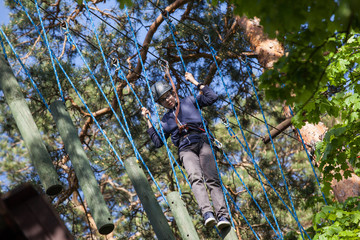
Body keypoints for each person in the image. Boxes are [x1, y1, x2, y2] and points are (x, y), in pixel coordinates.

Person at [141, 72, 230, 229]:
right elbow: (158, 142)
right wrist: (148, 120)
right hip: (185, 149)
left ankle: (222, 215)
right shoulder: (166, 121)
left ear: (173, 93)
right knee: (195, 177)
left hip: (202, 141)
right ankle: (207, 213)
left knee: (212, 179)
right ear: (160, 104)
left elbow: (212, 97)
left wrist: (194, 81)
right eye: (162, 100)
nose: (167, 100)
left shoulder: (190, 101)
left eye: (168, 96)